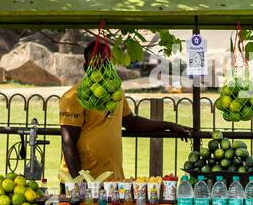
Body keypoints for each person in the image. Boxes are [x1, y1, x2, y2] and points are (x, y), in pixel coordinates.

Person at [59, 42, 193, 180]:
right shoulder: (74, 96)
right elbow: (68, 141)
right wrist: (78, 183)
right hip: (79, 181)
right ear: (86, 67)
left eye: (105, 64)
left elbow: (132, 123)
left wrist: (169, 126)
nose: (101, 70)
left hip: (111, 180)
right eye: (96, 65)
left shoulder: (116, 93)